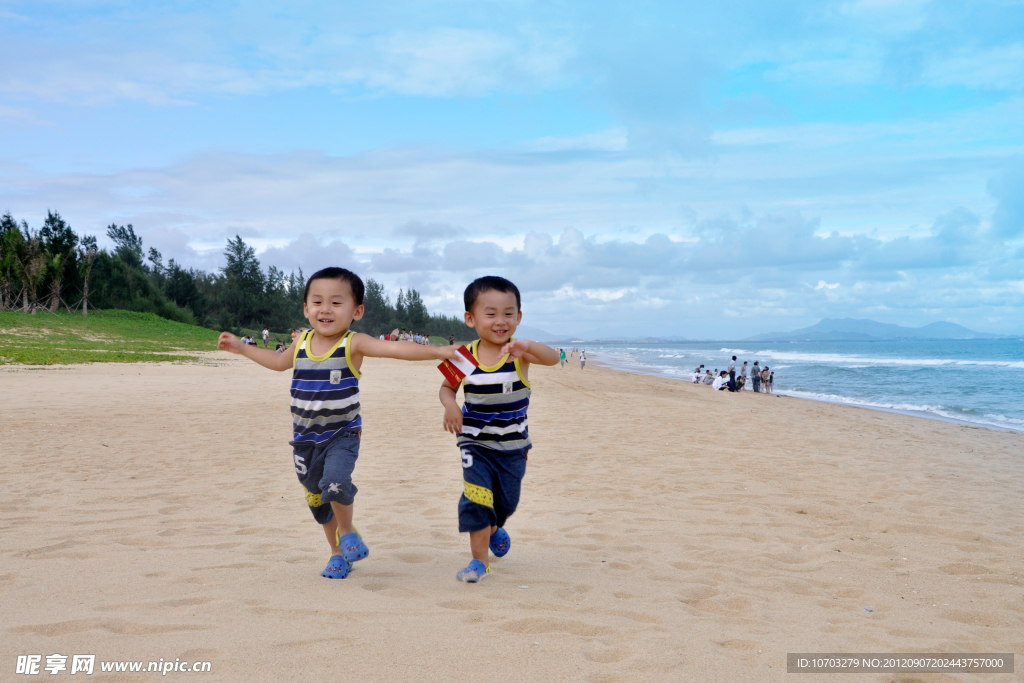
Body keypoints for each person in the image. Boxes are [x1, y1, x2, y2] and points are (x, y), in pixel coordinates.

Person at [217, 267, 459, 580]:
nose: (325, 309)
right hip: (304, 439)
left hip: (342, 434)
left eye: (336, 302)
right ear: (306, 308)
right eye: (317, 302)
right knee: (318, 503)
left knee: (335, 482)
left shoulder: (353, 344)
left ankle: (346, 535)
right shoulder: (301, 341)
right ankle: (337, 554)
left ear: (356, 311)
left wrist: (438, 351)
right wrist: (242, 348)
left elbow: (396, 348)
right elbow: (278, 363)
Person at [439, 276, 559, 583]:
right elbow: (446, 389)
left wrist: (528, 345)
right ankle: (479, 562)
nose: (500, 321)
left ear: (519, 317)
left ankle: (494, 526)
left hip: (513, 447)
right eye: (490, 313)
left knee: (506, 502)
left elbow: (554, 358)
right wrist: (451, 406)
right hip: (474, 444)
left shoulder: (518, 353)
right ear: (471, 318)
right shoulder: (465, 357)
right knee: (477, 498)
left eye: (508, 313)